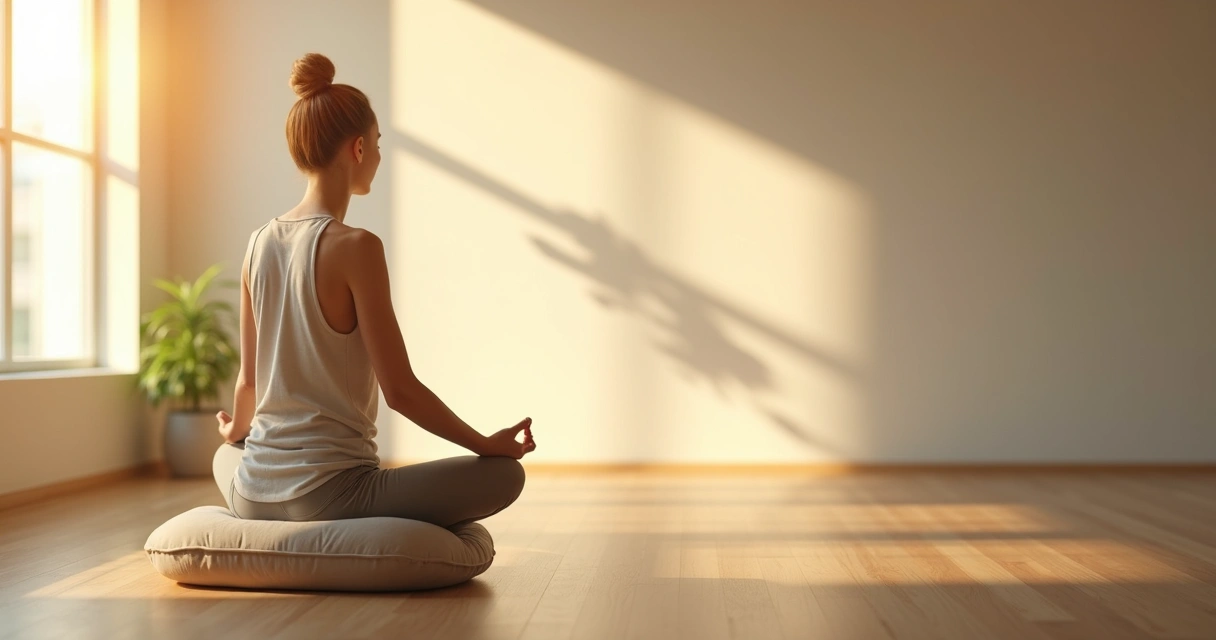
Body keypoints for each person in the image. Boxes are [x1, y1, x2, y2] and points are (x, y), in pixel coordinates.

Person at [210, 53, 536, 527]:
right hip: (331, 494)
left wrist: (234, 432)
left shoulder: (257, 243)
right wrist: (487, 444)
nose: (380, 157)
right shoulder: (357, 247)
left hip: (252, 495)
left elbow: (249, 381)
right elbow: (399, 390)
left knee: (229, 455)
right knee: (505, 476)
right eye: (379, 144)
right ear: (358, 149)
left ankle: (250, 476)